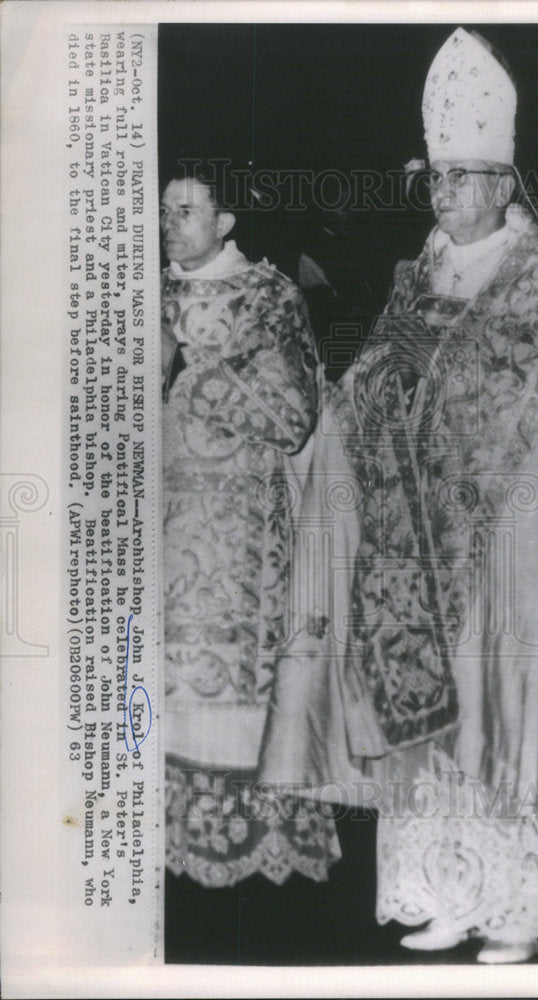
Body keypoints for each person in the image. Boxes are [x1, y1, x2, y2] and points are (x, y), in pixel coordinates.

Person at [260, 28, 538, 963]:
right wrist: (329, 417)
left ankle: (519, 903)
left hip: (513, 546)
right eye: (439, 180)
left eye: (470, 178)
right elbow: (372, 389)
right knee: (433, 724)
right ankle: (445, 887)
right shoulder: (420, 274)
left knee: (508, 711)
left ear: (507, 185)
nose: (451, 196)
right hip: (414, 545)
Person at [160, 169, 340, 888]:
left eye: (188, 210)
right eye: (164, 211)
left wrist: (194, 376)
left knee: (229, 676)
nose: (171, 224)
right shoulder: (138, 290)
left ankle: (249, 839)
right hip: (154, 525)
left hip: (237, 531)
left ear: (227, 220)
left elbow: (295, 412)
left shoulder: (268, 295)